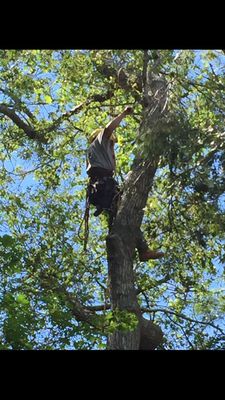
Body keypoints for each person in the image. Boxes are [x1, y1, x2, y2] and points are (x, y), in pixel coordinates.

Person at [86, 106, 164, 261]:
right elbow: (108, 129)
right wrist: (123, 114)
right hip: (104, 185)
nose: (112, 148)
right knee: (127, 213)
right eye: (112, 144)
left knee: (120, 215)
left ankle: (132, 246)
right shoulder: (99, 143)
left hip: (101, 188)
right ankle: (143, 249)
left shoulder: (94, 153)